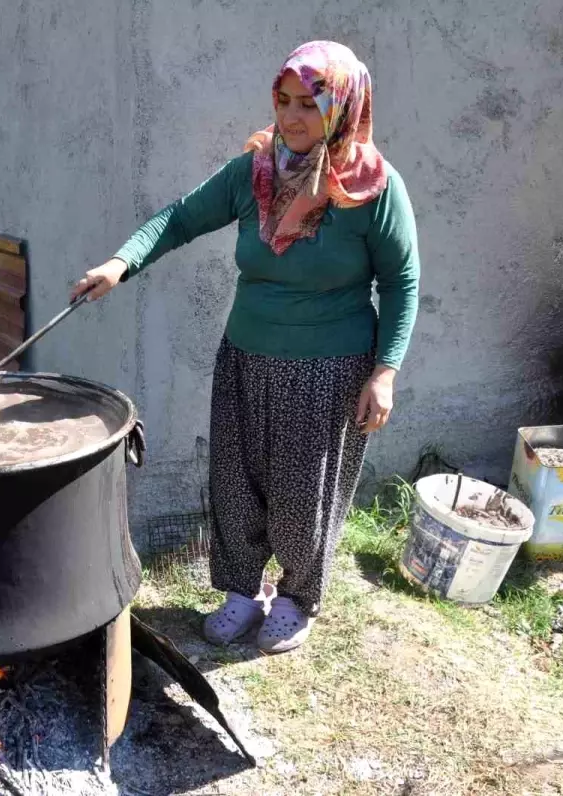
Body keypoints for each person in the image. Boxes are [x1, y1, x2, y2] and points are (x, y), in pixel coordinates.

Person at [72, 41, 419, 653]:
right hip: (245, 353)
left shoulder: (373, 188)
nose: (291, 118)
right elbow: (180, 218)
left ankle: (296, 597)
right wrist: (120, 262)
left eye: (309, 104)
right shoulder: (257, 172)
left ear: (341, 106)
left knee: (301, 490)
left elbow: (401, 281)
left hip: (329, 368)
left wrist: (384, 372)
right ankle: (241, 589)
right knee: (235, 480)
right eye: (283, 101)